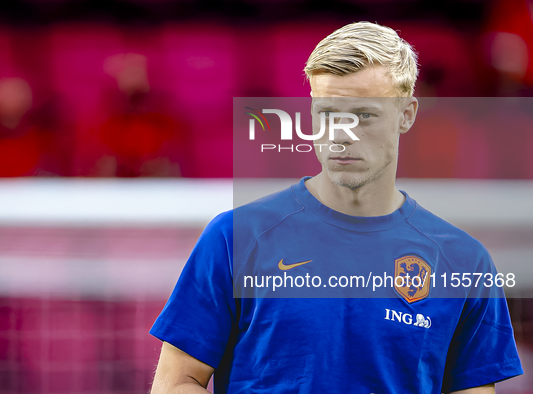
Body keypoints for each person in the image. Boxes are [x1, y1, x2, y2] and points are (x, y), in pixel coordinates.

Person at [149, 22, 523, 393]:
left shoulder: (464, 261)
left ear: (406, 114)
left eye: (364, 115)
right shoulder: (235, 237)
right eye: (328, 113)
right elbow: (177, 382)